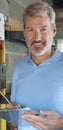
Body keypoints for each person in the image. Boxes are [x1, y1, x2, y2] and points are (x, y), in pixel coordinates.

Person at [7, 1, 63, 130]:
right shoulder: (19, 67)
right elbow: (15, 122)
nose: (37, 37)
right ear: (24, 32)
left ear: (53, 30)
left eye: (43, 29)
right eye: (31, 30)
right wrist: (12, 116)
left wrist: (61, 124)